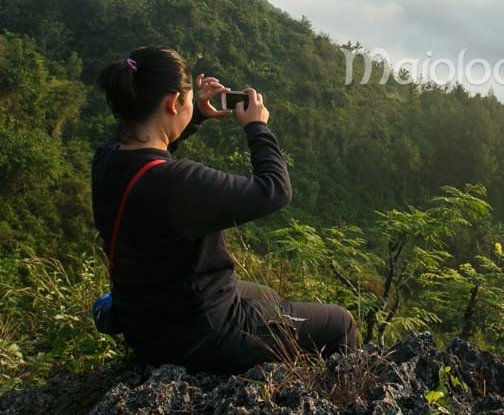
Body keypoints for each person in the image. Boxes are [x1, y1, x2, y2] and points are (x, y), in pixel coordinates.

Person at [92, 45, 356, 372]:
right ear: (173, 103)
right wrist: (257, 127)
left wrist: (197, 113)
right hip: (200, 334)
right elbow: (273, 190)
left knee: (268, 296)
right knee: (340, 323)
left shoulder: (107, 158)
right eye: (188, 101)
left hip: (143, 321)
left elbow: (153, 143)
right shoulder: (178, 182)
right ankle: (339, 400)